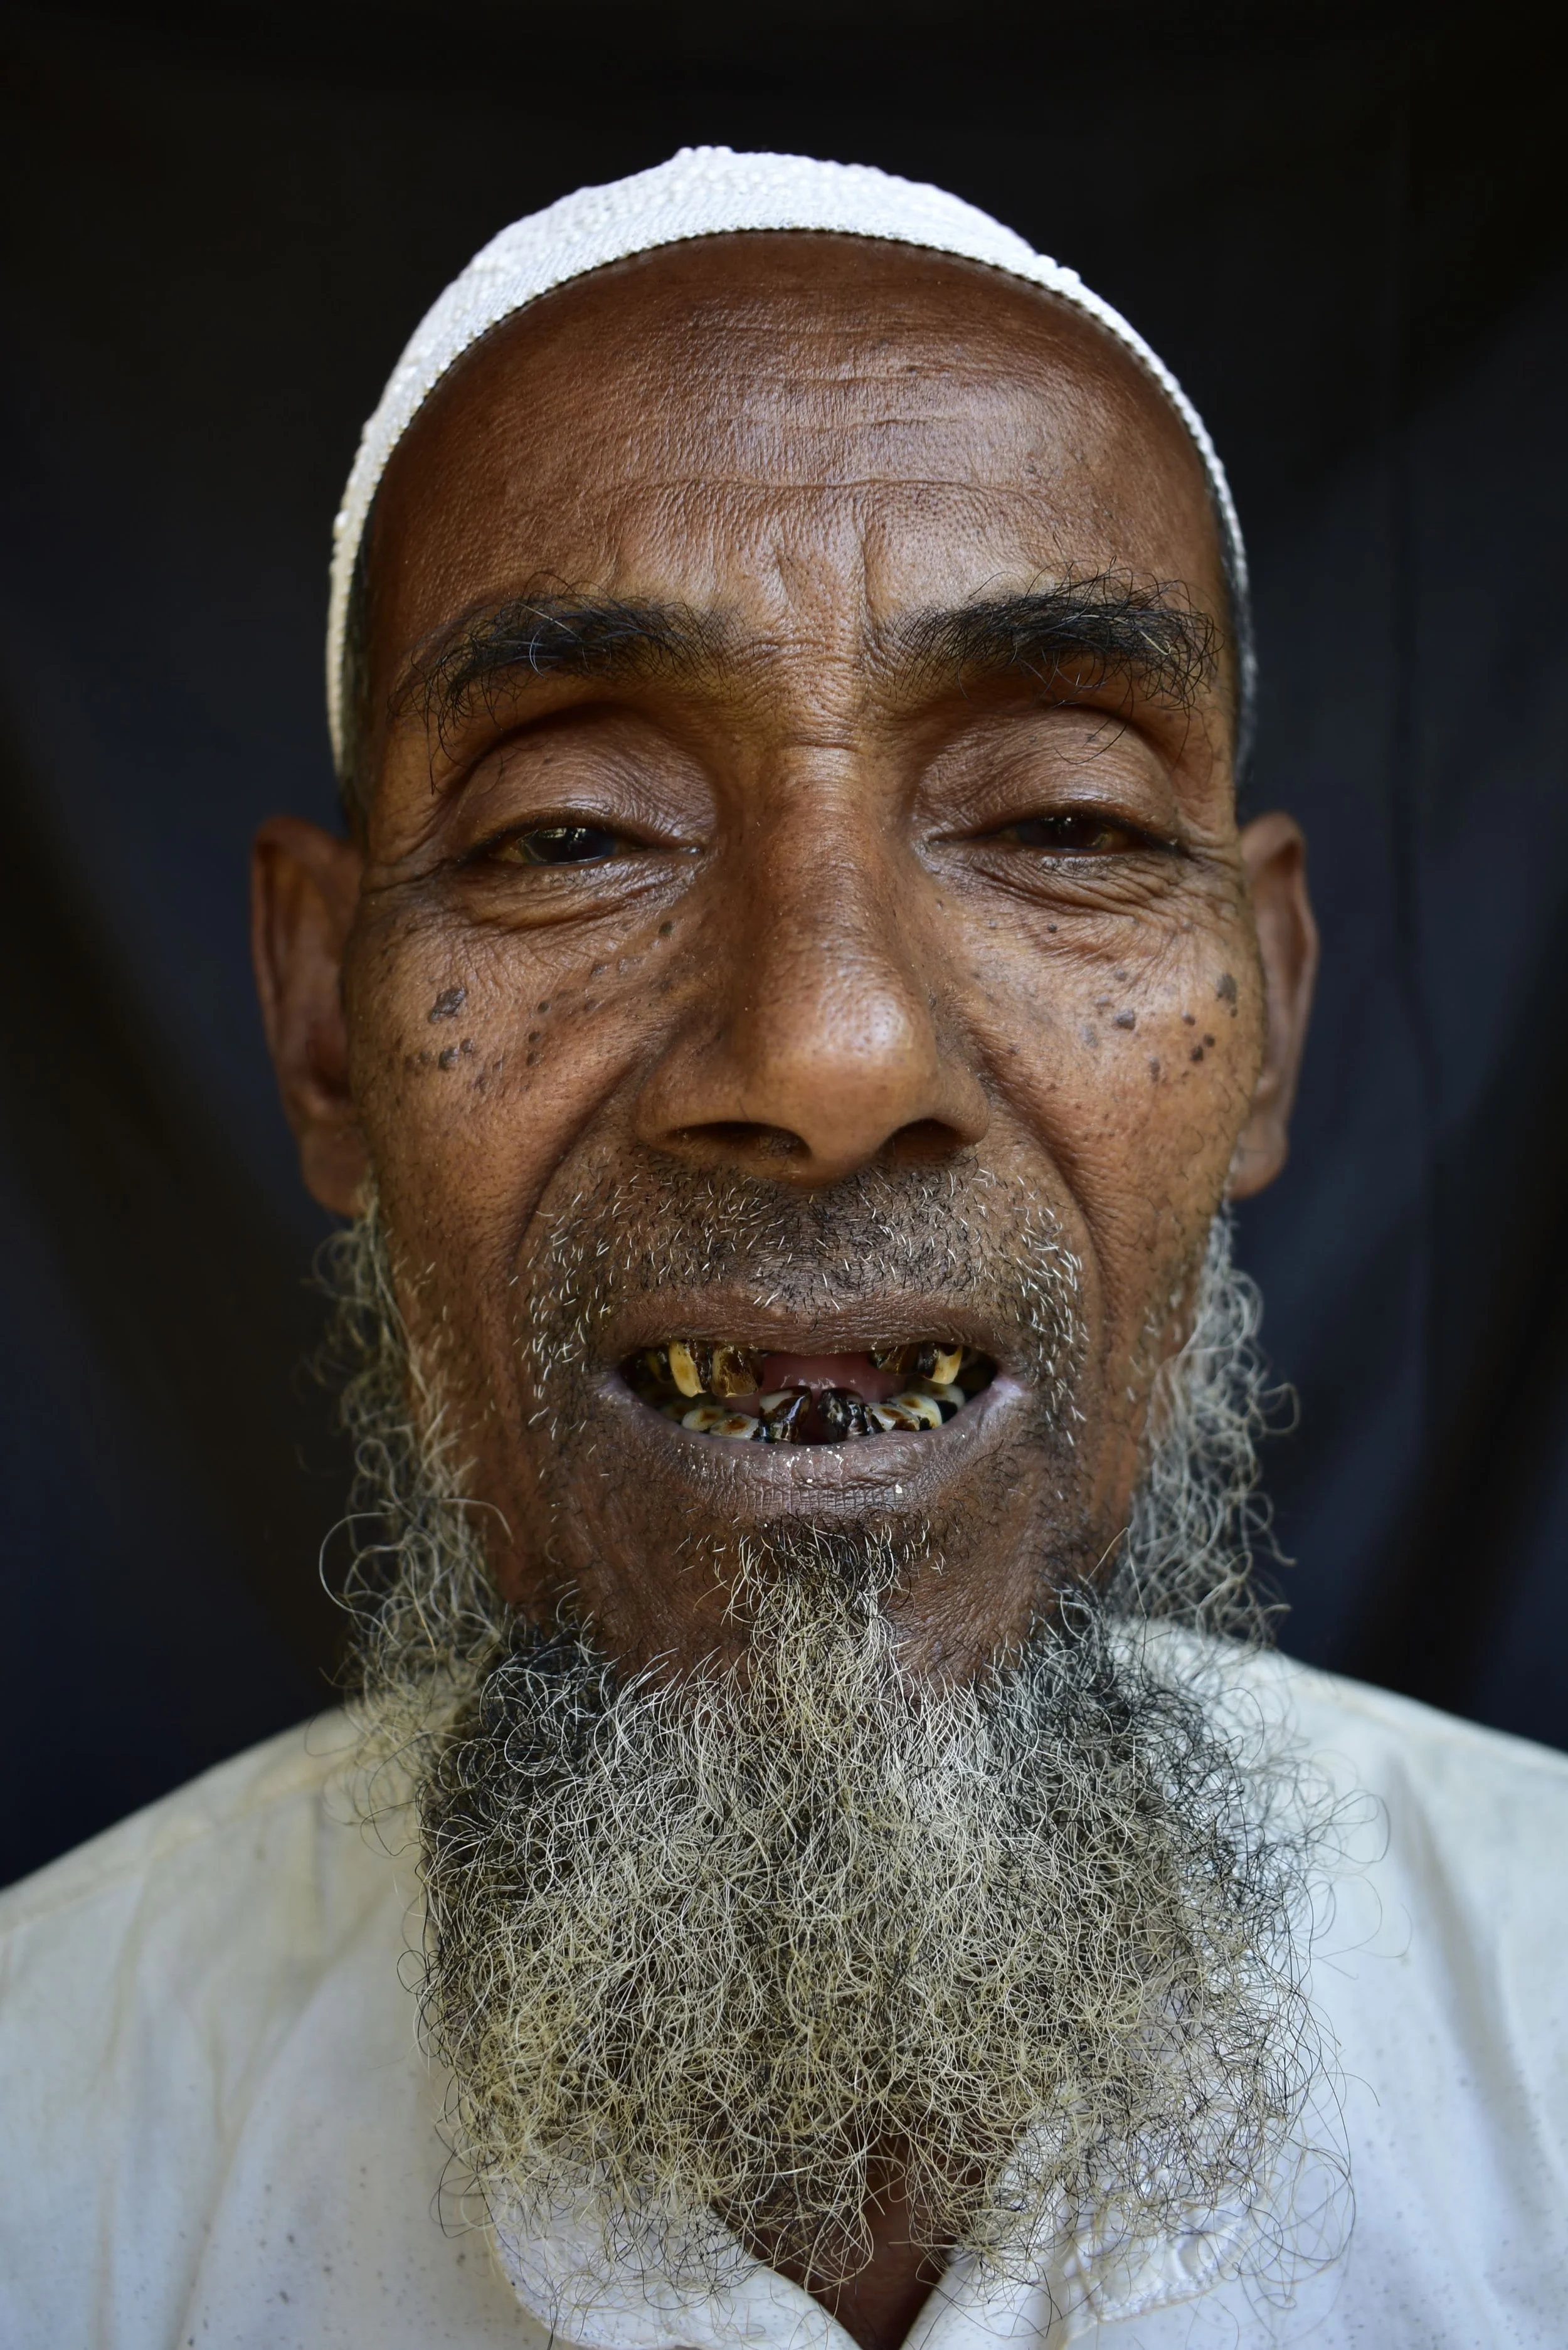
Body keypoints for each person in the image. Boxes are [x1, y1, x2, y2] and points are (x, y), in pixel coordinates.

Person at [1, 148, 1563, 2350]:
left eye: (1060, 825)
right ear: (325, 1021)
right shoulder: (45, 2147)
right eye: (570, 836)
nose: (824, 1053)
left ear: (1266, 1023)